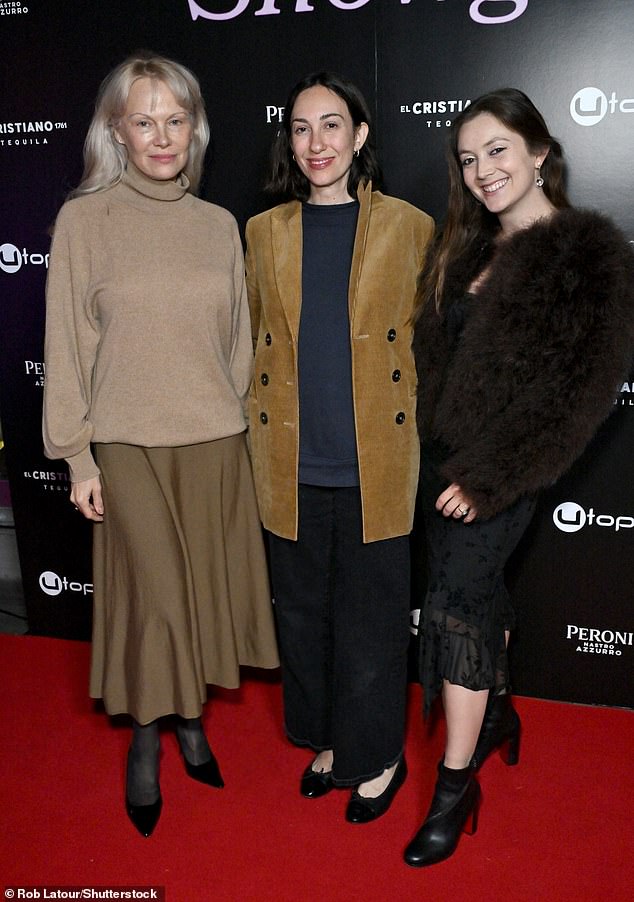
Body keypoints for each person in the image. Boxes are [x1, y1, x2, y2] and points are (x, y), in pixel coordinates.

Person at [42, 53, 279, 838]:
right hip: (127, 445)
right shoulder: (85, 219)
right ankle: (151, 742)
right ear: (117, 129)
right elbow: (69, 345)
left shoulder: (218, 227)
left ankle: (187, 724)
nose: (162, 135)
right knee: (159, 605)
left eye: (176, 119)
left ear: (195, 126)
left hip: (214, 443)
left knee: (200, 601)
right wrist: (76, 457)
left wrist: (245, 434)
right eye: (143, 120)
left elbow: (240, 347)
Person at [406, 88, 634, 867]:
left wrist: (492, 479)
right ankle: (499, 713)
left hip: (499, 477)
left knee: (458, 611)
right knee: (476, 597)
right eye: (468, 159)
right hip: (439, 465)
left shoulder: (585, 254)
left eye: (498, 150)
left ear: (539, 152)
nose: (482, 171)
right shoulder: (465, 248)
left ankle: (454, 785)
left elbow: (581, 397)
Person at [245, 72, 434, 823]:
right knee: (303, 618)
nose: (315, 143)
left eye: (331, 126)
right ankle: (327, 738)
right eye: (300, 128)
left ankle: (377, 753)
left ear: (359, 136)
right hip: (290, 465)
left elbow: (430, 347)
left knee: (374, 625)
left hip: (375, 468)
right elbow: (253, 344)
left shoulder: (410, 227)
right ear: (288, 141)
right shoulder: (264, 232)